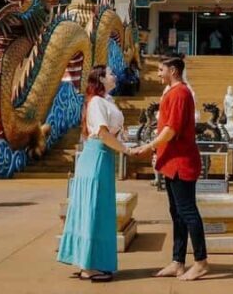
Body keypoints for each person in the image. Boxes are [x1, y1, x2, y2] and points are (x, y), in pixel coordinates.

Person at [131, 57, 208, 281]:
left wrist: (148, 146)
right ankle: (178, 261)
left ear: (173, 71)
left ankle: (201, 261)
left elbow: (171, 129)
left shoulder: (180, 93)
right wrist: (158, 152)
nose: (158, 73)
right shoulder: (170, 92)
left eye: (161, 69)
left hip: (182, 162)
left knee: (188, 212)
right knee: (177, 213)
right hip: (171, 162)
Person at [58, 65, 130, 282]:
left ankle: (87, 261)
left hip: (104, 156)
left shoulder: (107, 100)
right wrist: (126, 150)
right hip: (97, 155)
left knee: (98, 208)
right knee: (93, 208)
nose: (114, 76)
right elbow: (103, 133)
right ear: (100, 78)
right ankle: (89, 266)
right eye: (110, 73)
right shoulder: (97, 102)